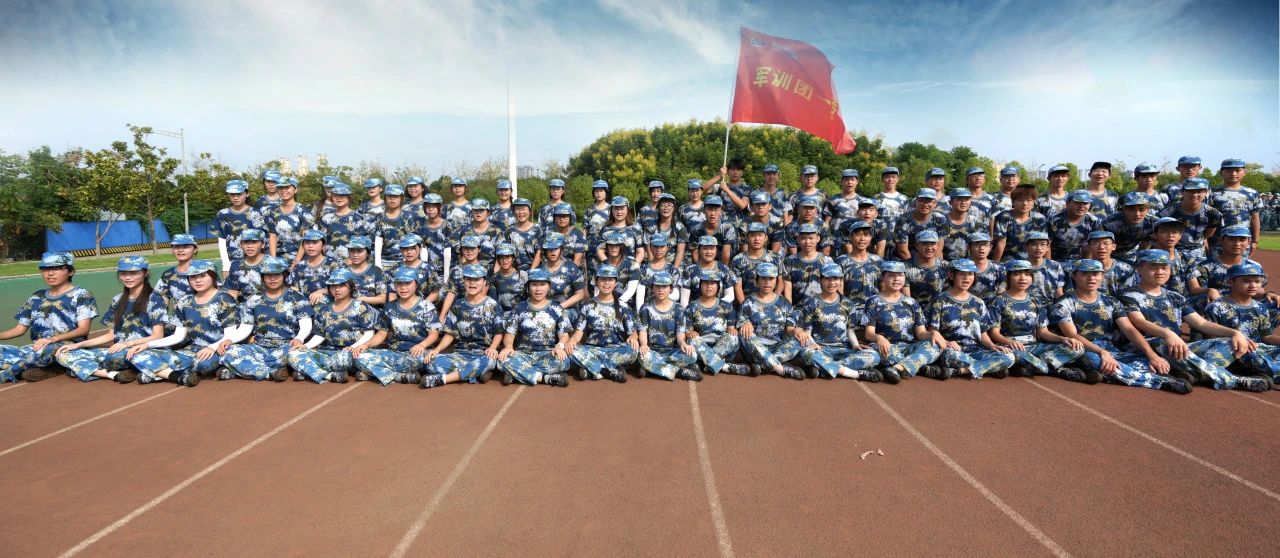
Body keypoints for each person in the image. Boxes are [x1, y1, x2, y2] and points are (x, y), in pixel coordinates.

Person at [1120, 250, 1270, 392]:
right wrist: (1167, 334)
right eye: (1153, 267)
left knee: (1229, 342)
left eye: (1165, 267)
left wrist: (1234, 333)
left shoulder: (1175, 297)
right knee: (1165, 343)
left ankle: (1190, 371)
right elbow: (1138, 321)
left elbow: (1201, 323)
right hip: (1146, 347)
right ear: (1139, 269)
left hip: (1178, 347)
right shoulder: (1128, 295)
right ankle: (1233, 380)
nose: (1160, 272)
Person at [1048, 259, 1192, 394]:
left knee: (1146, 361)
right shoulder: (1063, 303)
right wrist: (1102, 352)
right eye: (1085, 274)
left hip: (1110, 349)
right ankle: (1162, 382)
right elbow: (1072, 335)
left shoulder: (1112, 302)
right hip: (1085, 349)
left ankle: (1105, 373)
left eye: (1096, 274)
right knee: (1099, 362)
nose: (1091, 278)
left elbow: (1129, 329)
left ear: (1102, 276)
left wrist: (1151, 355)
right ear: (1074, 276)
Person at [55, 257, 194, 385]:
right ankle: (115, 374)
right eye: (123, 273)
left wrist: (128, 343)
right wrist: (78, 345)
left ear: (145, 273)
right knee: (64, 354)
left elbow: (158, 335)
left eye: (133, 273)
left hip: (144, 350)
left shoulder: (154, 299)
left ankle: (174, 376)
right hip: (119, 351)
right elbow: (111, 335)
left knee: (129, 356)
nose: (127, 278)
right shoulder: (117, 300)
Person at [0, 252, 97, 383]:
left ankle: (8, 374)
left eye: (57, 268)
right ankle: (46, 367)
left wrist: (52, 339)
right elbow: (19, 329)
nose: (50, 273)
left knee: (42, 352)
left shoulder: (82, 295)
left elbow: (83, 329)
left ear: (71, 272)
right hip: (37, 348)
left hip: (68, 348)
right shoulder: (36, 297)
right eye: (45, 269)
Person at [986, 259, 1087, 379]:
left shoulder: (1036, 301)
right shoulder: (998, 301)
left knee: (1076, 348)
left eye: (1027, 274)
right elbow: (994, 333)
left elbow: (1043, 332)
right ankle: (1056, 370)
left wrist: (1064, 339)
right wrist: (1009, 342)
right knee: (1013, 356)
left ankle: (1030, 367)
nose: (1023, 278)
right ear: (1008, 278)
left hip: (1034, 346)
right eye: (1017, 274)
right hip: (1011, 346)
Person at [222, 256, 313, 382]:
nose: (272, 279)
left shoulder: (296, 297)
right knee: (229, 352)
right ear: (263, 277)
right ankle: (270, 373)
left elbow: (306, 325)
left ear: (284, 276)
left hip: (286, 346)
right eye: (268, 275)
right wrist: (230, 340)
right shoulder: (254, 299)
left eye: (277, 275)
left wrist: (299, 338)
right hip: (260, 347)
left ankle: (244, 370)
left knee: (293, 355)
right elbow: (246, 328)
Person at [924, 259, 1016, 379]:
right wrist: (946, 342)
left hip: (975, 350)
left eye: (970, 274)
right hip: (952, 349)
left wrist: (992, 346)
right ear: (951, 275)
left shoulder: (978, 302)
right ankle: (989, 368)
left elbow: (983, 333)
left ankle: (959, 371)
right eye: (962, 274)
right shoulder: (940, 300)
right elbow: (933, 331)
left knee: (1009, 357)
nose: (966, 278)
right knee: (950, 356)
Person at [157, 260, 246, 382]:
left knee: (203, 365)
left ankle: (160, 373)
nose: (197, 280)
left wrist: (212, 348)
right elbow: (178, 336)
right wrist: (147, 345)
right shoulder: (184, 301)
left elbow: (230, 335)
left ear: (213, 277)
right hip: (193, 349)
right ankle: (174, 374)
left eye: (203, 276)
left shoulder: (224, 299)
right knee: (146, 356)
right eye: (193, 277)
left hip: (219, 348)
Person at [286, 268, 380, 384]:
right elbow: (320, 335)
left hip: (351, 352)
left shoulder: (361, 307)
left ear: (351, 287)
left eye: (341, 286)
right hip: (327, 352)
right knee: (293, 354)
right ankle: (331, 375)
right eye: (333, 286)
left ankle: (309, 371)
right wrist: (306, 346)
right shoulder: (324, 310)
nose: (337, 289)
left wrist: (354, 347)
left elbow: (369, 333)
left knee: (345, 358)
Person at [352, 267, 441, 386]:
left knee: (429, 361)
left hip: (417, 353)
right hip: (394, 352)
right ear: (394, 285)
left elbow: (434, 334)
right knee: (358, 356)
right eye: (399, 284)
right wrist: (366, 345)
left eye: (408, 283)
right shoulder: (389, 307)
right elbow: (381, 333)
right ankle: (400, 377)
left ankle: (374, 372)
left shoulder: (426, 306)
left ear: (416, 284)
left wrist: (422, 345)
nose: (403, 288)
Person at [796, 262, 884, 382]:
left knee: (874, 356)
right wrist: (812, 344)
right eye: (827, 278)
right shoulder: (811, 303)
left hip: (843, 349)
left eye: (836, 279)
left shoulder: (847, 303)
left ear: (841, 280)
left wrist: (855, 345)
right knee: (806, 354)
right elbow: (807, 331)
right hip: (820, 349)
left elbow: (850, 330)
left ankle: (824, 367)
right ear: (820, 280)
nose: (832, 283)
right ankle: (855, 374)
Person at [421, 264, 505, 388]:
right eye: (468, 279)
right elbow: (450, 333)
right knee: (430, 363)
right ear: (464, 281)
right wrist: (437, 350)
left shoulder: (493, 305)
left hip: (484, 354)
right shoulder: (457, 306)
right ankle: (475, 373)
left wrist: (493, 347)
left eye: (477, 279)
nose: (472, 283)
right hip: (461, 354)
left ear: (484, 282)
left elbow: (499, 332)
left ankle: (444, 379)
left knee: (490, 361)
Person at [861, 261, 945, 379]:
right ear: (883, 278)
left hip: (908, 347)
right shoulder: (873, 302)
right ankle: (919, 367)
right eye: (891, 275)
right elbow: (869, 334)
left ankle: (897, 368)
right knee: (880, 351)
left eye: (900, 275)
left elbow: (921, 333)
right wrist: (879, 338)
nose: (896, 279)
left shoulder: (911, 302)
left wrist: (933, 334)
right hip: (887, 346)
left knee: (933, 345)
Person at [1201, 262, 1280, 384]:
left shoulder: (1260, 307)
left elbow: (1266, 337)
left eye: (1257, 281)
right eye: (1246, 281)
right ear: (1230, 282)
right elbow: (1211, 339)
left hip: (1256, 350)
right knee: (1255, 358)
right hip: (1233, 353)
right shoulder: (1216, 307)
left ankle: (1263, 372)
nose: (1253, 285)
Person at [724, 263, 804, 379]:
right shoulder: (748, 303)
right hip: (756, 347)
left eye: (771, 279)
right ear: (757, 281)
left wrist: (796, 331)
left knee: (800, 340)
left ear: (776, 281)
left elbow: (789, 329)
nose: (767, 282)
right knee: (744, 335)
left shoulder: (784, 303)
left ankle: (762, 365)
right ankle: (780, 369)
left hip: (777, 347)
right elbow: (742, 326)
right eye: (763, 278)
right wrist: (745, 324)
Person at [495, 269, 572, 387]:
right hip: (523, 354)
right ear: (528, 287)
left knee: (564, 361)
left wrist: (560, 346)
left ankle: (518, 374)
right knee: (503, 360)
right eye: (534, 284)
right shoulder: (518, 308)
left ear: (549, 287)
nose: (538, 289)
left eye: (542, 284)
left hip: (548, 353)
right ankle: (545, 378)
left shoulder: (557, 308)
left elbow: (564, 335)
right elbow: (509, 334)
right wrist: (509, 346)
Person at [567, 264, 640, 382]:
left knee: (633, 350)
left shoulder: (623, 306)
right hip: (592, 350)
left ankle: (592, 369)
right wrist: (572, 340)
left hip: (616, 349)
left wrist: (633, 337)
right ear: (596, 281)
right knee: (571, 350)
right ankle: (610, 371)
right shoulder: (588, 305)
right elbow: (578, 333)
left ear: (615, 283)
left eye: (610, 279)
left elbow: (633, 332)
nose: (606, 283)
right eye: (603, 279)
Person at [636, 271, 701, 381]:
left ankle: (652, 369)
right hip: (653, 351)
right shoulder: (646, 308)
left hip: (672, 352)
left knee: (692, 354)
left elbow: (680, 333)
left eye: (665, 286)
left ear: (670, 289)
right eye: (657, 286)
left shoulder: (678, 309)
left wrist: (683, 344)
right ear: (652, 288)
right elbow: (643, 331)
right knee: (642, 356)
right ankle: (680, 372)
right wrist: (644, 345)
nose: (661, 290)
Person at [682, 269, 742, 376]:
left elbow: (731, 328)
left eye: (713, 283)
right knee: (692, 340)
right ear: (700, 285)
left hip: (721, 345)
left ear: (718, 286)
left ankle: (706, 362)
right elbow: (687, 332)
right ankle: (724, 367)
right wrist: (690, 333)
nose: (709, 286)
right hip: (702, 343)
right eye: (705, 283)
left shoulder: (726, 306)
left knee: (733, 337)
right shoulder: (691, 307)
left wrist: (732, 330)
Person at [1158, 178, 1220, 262]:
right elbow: (1159, 233)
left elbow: (1209, 233)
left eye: (1199, 191)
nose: (1195, 194)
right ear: (1182, 192)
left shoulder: (1213, 213)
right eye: (1191, 191)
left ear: (1206, 193)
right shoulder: (1168, 212)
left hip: (1198, 255)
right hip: (1172, 253)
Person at [213, 179, 267, 273]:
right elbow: (221, 240)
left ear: (247, 194)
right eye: (232, 194)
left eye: (239, 194)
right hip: (232, 262)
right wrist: (226, 266)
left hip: (255, 262)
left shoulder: (256, 214)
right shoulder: (222, 214)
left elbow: (262, 240)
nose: (235, 198)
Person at [1209, 158, 1259, 252]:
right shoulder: (1212, 193)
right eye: (1228, 170)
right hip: (1217, 242)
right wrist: (1204, 238)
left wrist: (1255, 241)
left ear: (1244, 172)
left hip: (1242, 242)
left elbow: (1255, 218)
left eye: (1238, 170)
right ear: (1221, 172)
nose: (1233, 174)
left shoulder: (1252, 193)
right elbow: (1206, 218)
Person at [318, 182, 374, 262]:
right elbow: (320, 241)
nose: (338, 198)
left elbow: (367, 244)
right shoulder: (326, 218)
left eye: (342, 195)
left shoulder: (358, 218)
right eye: (335, 195)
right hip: (329, 262)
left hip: (352, 263)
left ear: (349, 198)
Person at [264, 177, 314, 264]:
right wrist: (273, 261)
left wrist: (295, 263)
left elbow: (306, 239)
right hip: (278, 258)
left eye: (287, 187)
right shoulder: (273, 211)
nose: (283, 190)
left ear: (296, 190)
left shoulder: (303, 211)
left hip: (299, 258)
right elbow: (273, 236)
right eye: (280, 188)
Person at [991, 184, 1048, 262]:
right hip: (1008, 260)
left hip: (1031, 260)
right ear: (1013, 202)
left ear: (1033, 202)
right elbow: (1001, 242)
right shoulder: (1004, 216)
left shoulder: (1039, 218)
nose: (1024, 203)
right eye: (1020, 200)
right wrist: (996, 264)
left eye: (1029, 200)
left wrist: (1046, 264)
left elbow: (1044, 244)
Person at [373, 183, 423, 270]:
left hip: (404, 261)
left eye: (396, 196)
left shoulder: (407, 216)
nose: (392, 199)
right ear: (385, 198)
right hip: (385, 261)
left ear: (401, 198)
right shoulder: (380, 217)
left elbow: (414, 241)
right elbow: (378, 240)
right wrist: (378, 262)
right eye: (389, 196)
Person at [782, 223, 834, 306]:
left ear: (818, 239)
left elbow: (831, 285)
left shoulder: (827, 261)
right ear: (797, 239)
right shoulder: (789, 261)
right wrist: (789, 308)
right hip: (798, 308)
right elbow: (787, 288)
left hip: (821, 308)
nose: (807, 242)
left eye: (811, 238)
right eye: (803, 238)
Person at [680, 236, 740, 307]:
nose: (709, 252)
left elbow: (730, 296)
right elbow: (684, 300)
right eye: (705, 248)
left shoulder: (724, 269)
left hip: (718, 309)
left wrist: (714, 307)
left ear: (716, 251)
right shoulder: (689, 270)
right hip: (695, 310)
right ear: (699, 250)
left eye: (712, 248)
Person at [538, 234, 589, 313]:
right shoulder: (539, 270)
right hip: (544, 310)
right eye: (549, 249)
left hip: (567, 309)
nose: (552, 252)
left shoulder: (572, 268)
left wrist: (558, 308)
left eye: (556, 248)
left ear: (561, 250)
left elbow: (580, 294)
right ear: (545, 251)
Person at [836, 221, 883, 306]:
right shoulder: (841, 261)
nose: (862, 239)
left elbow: (883, 288)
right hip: (850, 308)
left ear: (871, 238)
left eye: (866, 235)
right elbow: (839, 290)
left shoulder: (878, 261)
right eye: (858, 235)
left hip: (874, 308)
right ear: (850, 237)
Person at [1101, 192, 1157, 263]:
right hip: (1109, 254)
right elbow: (1100, 246)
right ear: (1124, 210)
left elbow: (1146, 245)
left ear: (1147, 210)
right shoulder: (1110, 224)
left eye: (1141, 210)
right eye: (1132, 210)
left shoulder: (1152, 223)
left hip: (1132, 254)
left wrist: (1139, 261)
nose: (1137, 214)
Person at [893, 188, 945, 260]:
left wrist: (931, 264)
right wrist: (914, 266)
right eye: (921, 200)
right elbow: (903, 251)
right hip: (908, 259)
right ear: (915, 202)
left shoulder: (940, 219)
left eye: (929, 201)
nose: (925, 204)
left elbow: (939, 246)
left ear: (935, 204)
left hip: (932, 258)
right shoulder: (903, 220)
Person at [1047, 191, 1099, 262]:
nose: (1081, 206)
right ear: (1068, 203)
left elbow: (1093, 246)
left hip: (1081, 261)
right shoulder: (1054, 220)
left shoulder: (1093, 221)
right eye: (1077, 203)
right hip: (1056, 260)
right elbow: (1047, 245)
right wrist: (1049, 265)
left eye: (1085, 203)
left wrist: (1087, 264)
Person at [292, 229, 339, 305]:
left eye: (315, 242)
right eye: (307, 242)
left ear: (323, 245)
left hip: (327, 305)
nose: (310, 246)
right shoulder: (300, 266)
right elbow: (294, 287)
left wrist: (321, 291)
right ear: (303, 245)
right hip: (305, 306)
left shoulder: (332, 263)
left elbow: (340, 287)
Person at [593, 196, 645, 265]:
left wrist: (635, 265)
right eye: (616, 209)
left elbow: (640, 251)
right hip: (610, 268)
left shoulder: (635, 228)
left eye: (622, 208)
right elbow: (600, 250)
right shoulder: (605, 229)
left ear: (627, 210)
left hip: (630, 268)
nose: (619, 212)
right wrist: (608, 265)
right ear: (612, 210)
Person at [536, 203, 589, 268]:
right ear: (555, 218)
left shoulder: (578, 234)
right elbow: (540, 255)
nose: (562, 219)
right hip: (549, 269)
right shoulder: (548, 234)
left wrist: (565, 273)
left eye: (565, 216)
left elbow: (577, 261)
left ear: (570, 218)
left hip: (571, 270)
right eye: (559, 216)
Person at [643, 192, 689, 267]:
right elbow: (649, 250)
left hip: (674, 265)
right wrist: (652, 269)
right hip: (655, 264)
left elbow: (680, 252)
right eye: (662, 205)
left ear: (674, 208)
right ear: (658, 208)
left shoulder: (680, 227)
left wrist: (674, 270)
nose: (666, 208)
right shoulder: (650, 226)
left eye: (669, 205)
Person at [905, 230, 948, 306]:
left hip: (939, 309)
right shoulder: (905, 267)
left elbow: (948, 296)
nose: (929, 248)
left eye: (933, 244)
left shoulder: (946, 267)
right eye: (924, 243)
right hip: (913, 309)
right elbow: (906, 299)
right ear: (916, 246)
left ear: (937, 245)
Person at [1023, 231, 1066, 304]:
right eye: (1034, 244)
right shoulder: (1019, 267)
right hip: (1026, 306)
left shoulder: (1055, 266)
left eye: (1043, 244)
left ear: (1047, 247)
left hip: (1049, 306)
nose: (1039, 248)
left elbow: (1059, 294)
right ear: (1026, 247)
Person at [344, 236, 388, 307]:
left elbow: (382, 299)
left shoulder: (376, 271)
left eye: (360, 251)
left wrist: (360, 299)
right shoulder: (343, 271)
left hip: (372, 310)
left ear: (368, 253)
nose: (355, 255)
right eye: (352, 251)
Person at [155, 234, 199, 302]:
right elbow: (160, 300)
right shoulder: (168, 274)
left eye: (185, 246)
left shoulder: (206, 270)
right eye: (176, 247)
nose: (180, 250)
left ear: (195, 249)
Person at [225, 228, 267, 301]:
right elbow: (232, 291)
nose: (249, 246)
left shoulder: (274, 263)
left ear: (263, 244)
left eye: (254, 242)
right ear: (241, 244)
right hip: (245, 306)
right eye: (246, 242)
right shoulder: (236, 266)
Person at [938, 188, 979, 261]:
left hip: (968, 264)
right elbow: (938, 248)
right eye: (959, 199)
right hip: (945, 263)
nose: (963, 202)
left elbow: (979, 246)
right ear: (950, 202)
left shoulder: (975, 221)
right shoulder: (941, 220)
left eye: (967, 199)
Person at [694, 196, 737, 263]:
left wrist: (723, 269)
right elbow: (695, 253)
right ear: (703, 211)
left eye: (716, 210)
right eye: (709, 209)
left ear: (721, 211)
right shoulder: (696, 229)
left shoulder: (727, 228)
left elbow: (726, 253)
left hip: (722, 263)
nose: (712, 214)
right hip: (703, 262)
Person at [490, 244, 529, 312]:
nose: (504, 260)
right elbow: (493, 303)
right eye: (501, 257)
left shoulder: (523, 276)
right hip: (503, 315)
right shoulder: (494, 278)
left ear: (513, 258)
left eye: (507, 257)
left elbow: (530, 298)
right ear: (498, 259)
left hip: (522, 313)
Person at [419, 193, 452, 272]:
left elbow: (449, 251)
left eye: (434, 206)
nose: (430, 209)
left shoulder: (447, 226)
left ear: (440, 207)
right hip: (428, 270)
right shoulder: (421, 227)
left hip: (447, 268)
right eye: (428, 206)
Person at [967, 232, 1005, 301]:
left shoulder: (999, 268)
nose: (981, 248)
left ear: (990, 247)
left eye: (985, 245)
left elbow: (1002, 294)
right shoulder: (961, 268)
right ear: (969, 247)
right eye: (977, 244)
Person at [825, 168, 864, 235]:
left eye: (852, 180)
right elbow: (827, 222)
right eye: (846, 180)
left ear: (857, 182)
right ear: (841, 182)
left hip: (855, 238)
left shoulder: (863, 201)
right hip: (836, 238)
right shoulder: (833, 200)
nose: (849, 182)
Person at [506, 198, 540, 270]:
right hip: (514, 272)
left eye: (524, 209)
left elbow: (540, 252)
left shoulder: (538, 229)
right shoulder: (509, 230)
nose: (521, 212)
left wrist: (532, 271)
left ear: (530, 211)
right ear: (513, 212)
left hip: (534, 271)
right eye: (518, 209)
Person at [874, 167, 911, 231]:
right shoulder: (876, 198)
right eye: (887, 177)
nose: (890, 179)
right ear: (882, 179)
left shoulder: (904, 199)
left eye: (893, 177)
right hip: (880, 234)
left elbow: (906, 220)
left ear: (898, 179)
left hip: (899, 234)